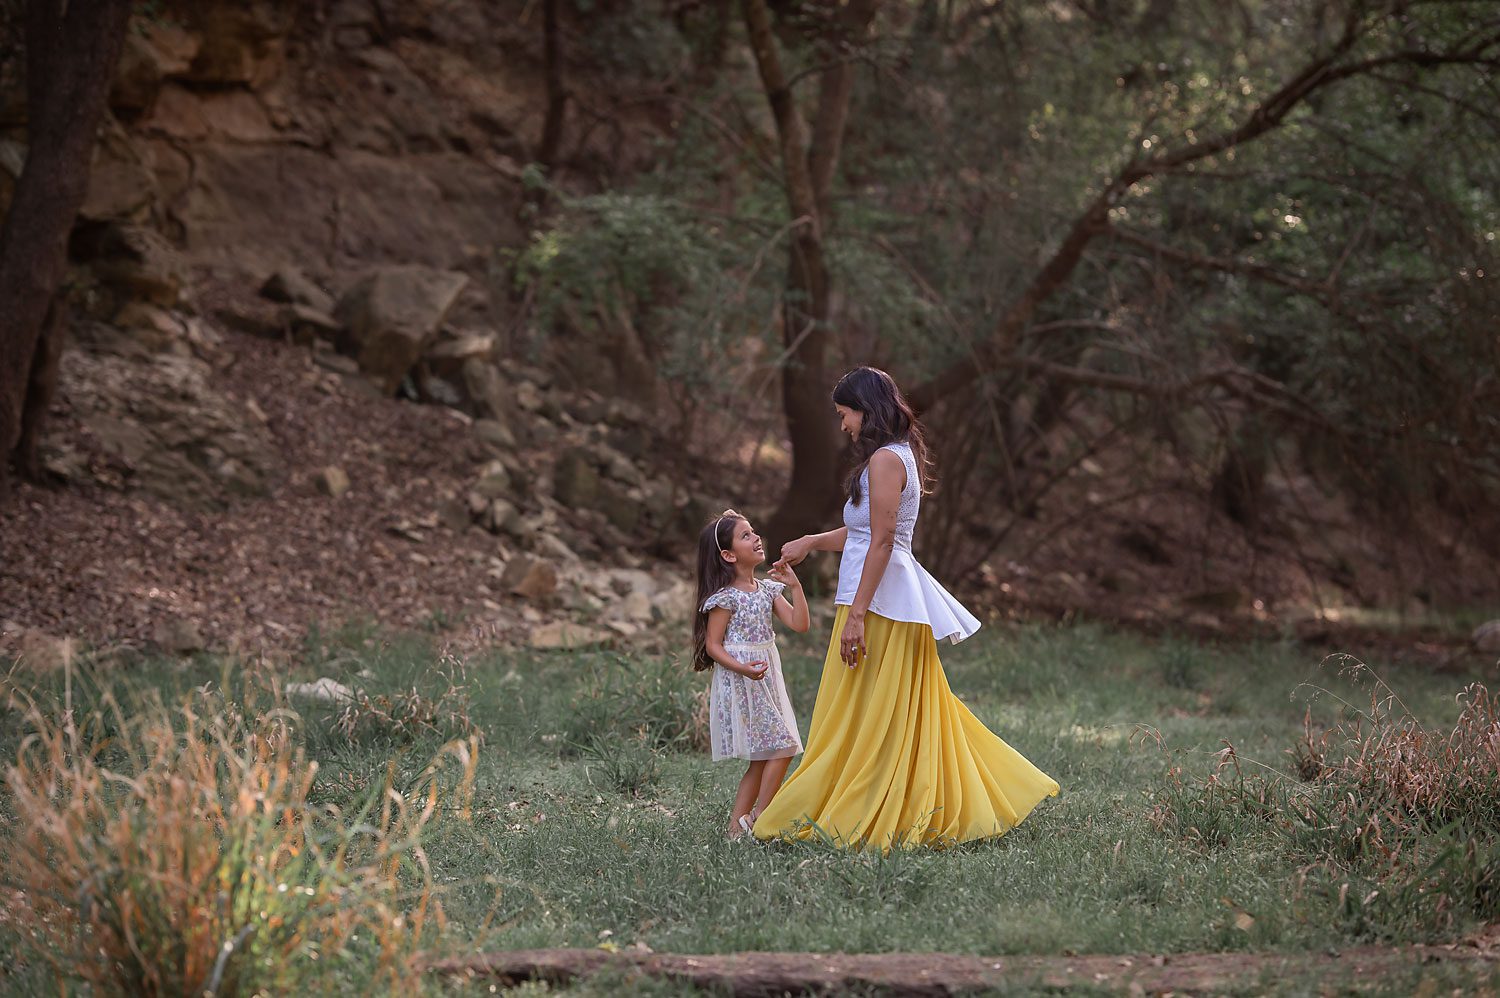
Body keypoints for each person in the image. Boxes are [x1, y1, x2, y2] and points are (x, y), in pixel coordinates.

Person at [755, 367, 1059, 849]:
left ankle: (869, 810)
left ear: (865, 409)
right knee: (872, 709)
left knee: (879, 711)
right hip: (871, 598)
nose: (842, 426)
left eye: (845, 414)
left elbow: (883, 541)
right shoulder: (890, 456)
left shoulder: (885, 460)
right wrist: (812, 541)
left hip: (880, 606)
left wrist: (856, 615)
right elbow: (862, 533)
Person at [692, 509, 810, 839]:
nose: (756, 537)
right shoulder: (726, 598)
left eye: (754, 531)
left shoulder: (767, 590)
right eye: (746, 535)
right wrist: (743, 668)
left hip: (766, 675)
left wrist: (795, 587)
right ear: (728, 555)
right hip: (744, 678)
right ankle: (759, 818)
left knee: (763, 758)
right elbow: (714, 646)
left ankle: (735, 830)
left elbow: (800, 624)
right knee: (784, 746)